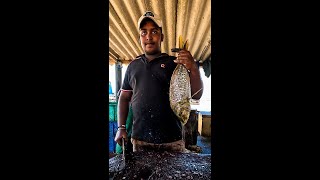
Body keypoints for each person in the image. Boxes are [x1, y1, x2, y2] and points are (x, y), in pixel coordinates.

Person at [114, 11, 203, 153]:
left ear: (161, 37)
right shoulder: (132, 66)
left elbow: (196, 95)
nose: (148, 37)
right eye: (144, 32)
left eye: (154, 31)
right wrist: (121, 128)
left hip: (172, 141)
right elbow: (124, 98)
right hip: (140, 140)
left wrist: (193, 68)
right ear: (139, 38)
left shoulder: (173, 64)